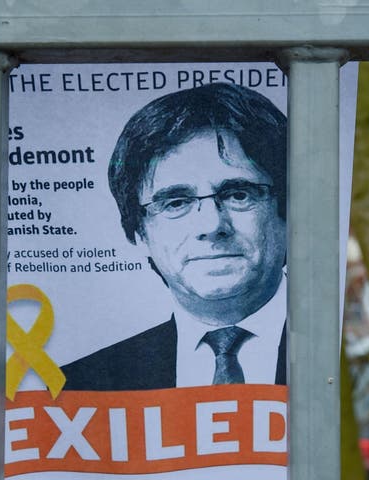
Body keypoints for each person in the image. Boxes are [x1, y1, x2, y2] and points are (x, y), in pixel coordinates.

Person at [62, 82, 287, 390]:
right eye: (176, 202)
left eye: (238, 194)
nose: (211, 225)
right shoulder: (80, 384)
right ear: (139, 233)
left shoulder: (346, 354)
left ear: (287, 211)